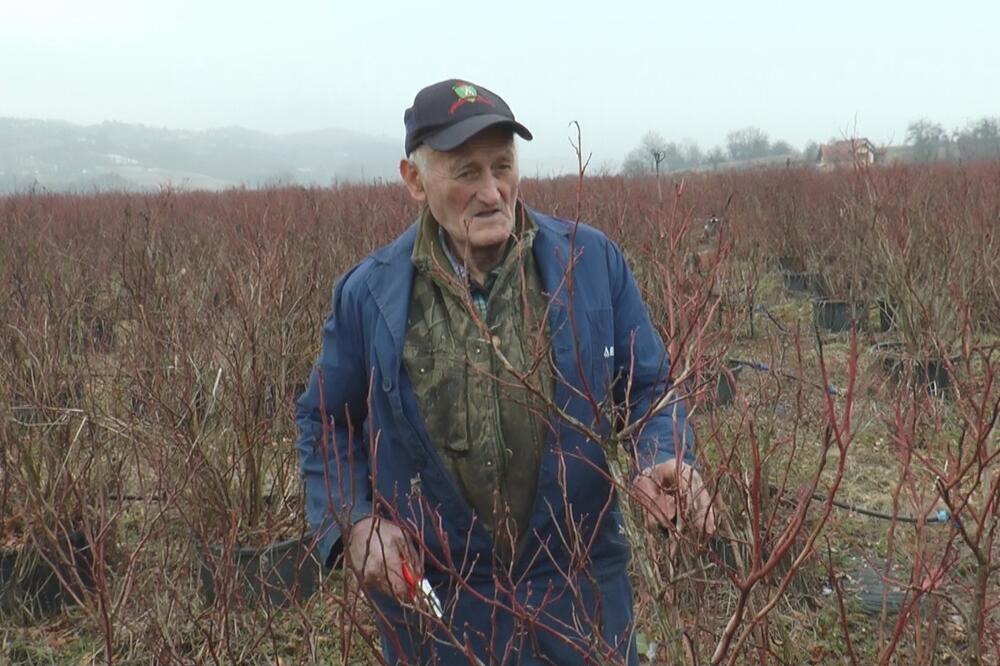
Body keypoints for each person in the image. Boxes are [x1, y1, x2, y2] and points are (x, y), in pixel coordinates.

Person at [296, 79, 716, 665]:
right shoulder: (369, 295)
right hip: (439, 601)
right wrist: (354, 519)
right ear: (415, 180)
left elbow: (648, 389)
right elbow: (326, 419)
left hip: (578, 591)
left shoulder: (591, 264)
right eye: (467, 172)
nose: (492, 192)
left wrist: (662, 454)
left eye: (502, 166)